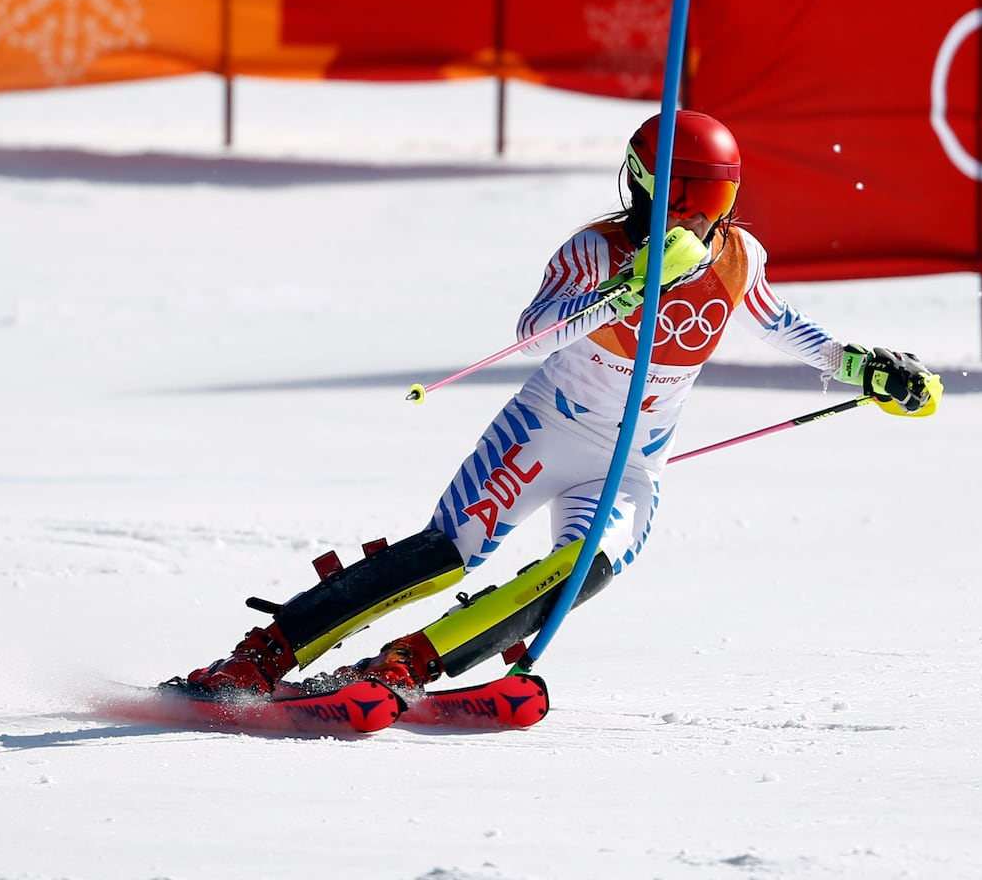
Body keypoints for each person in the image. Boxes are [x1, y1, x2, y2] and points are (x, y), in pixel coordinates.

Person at [181, 110, 941, 699]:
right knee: (449, 553)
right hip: (547, 430)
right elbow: (534, 332)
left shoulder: (740, 257)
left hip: (633, 462)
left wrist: (864, 367)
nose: (633, 195)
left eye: (645, 182)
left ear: (671, 190)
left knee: (583, 569)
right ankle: (264, 656)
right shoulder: (597, 249)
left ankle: (406, 666)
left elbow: (780, 324)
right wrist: (627, 288)